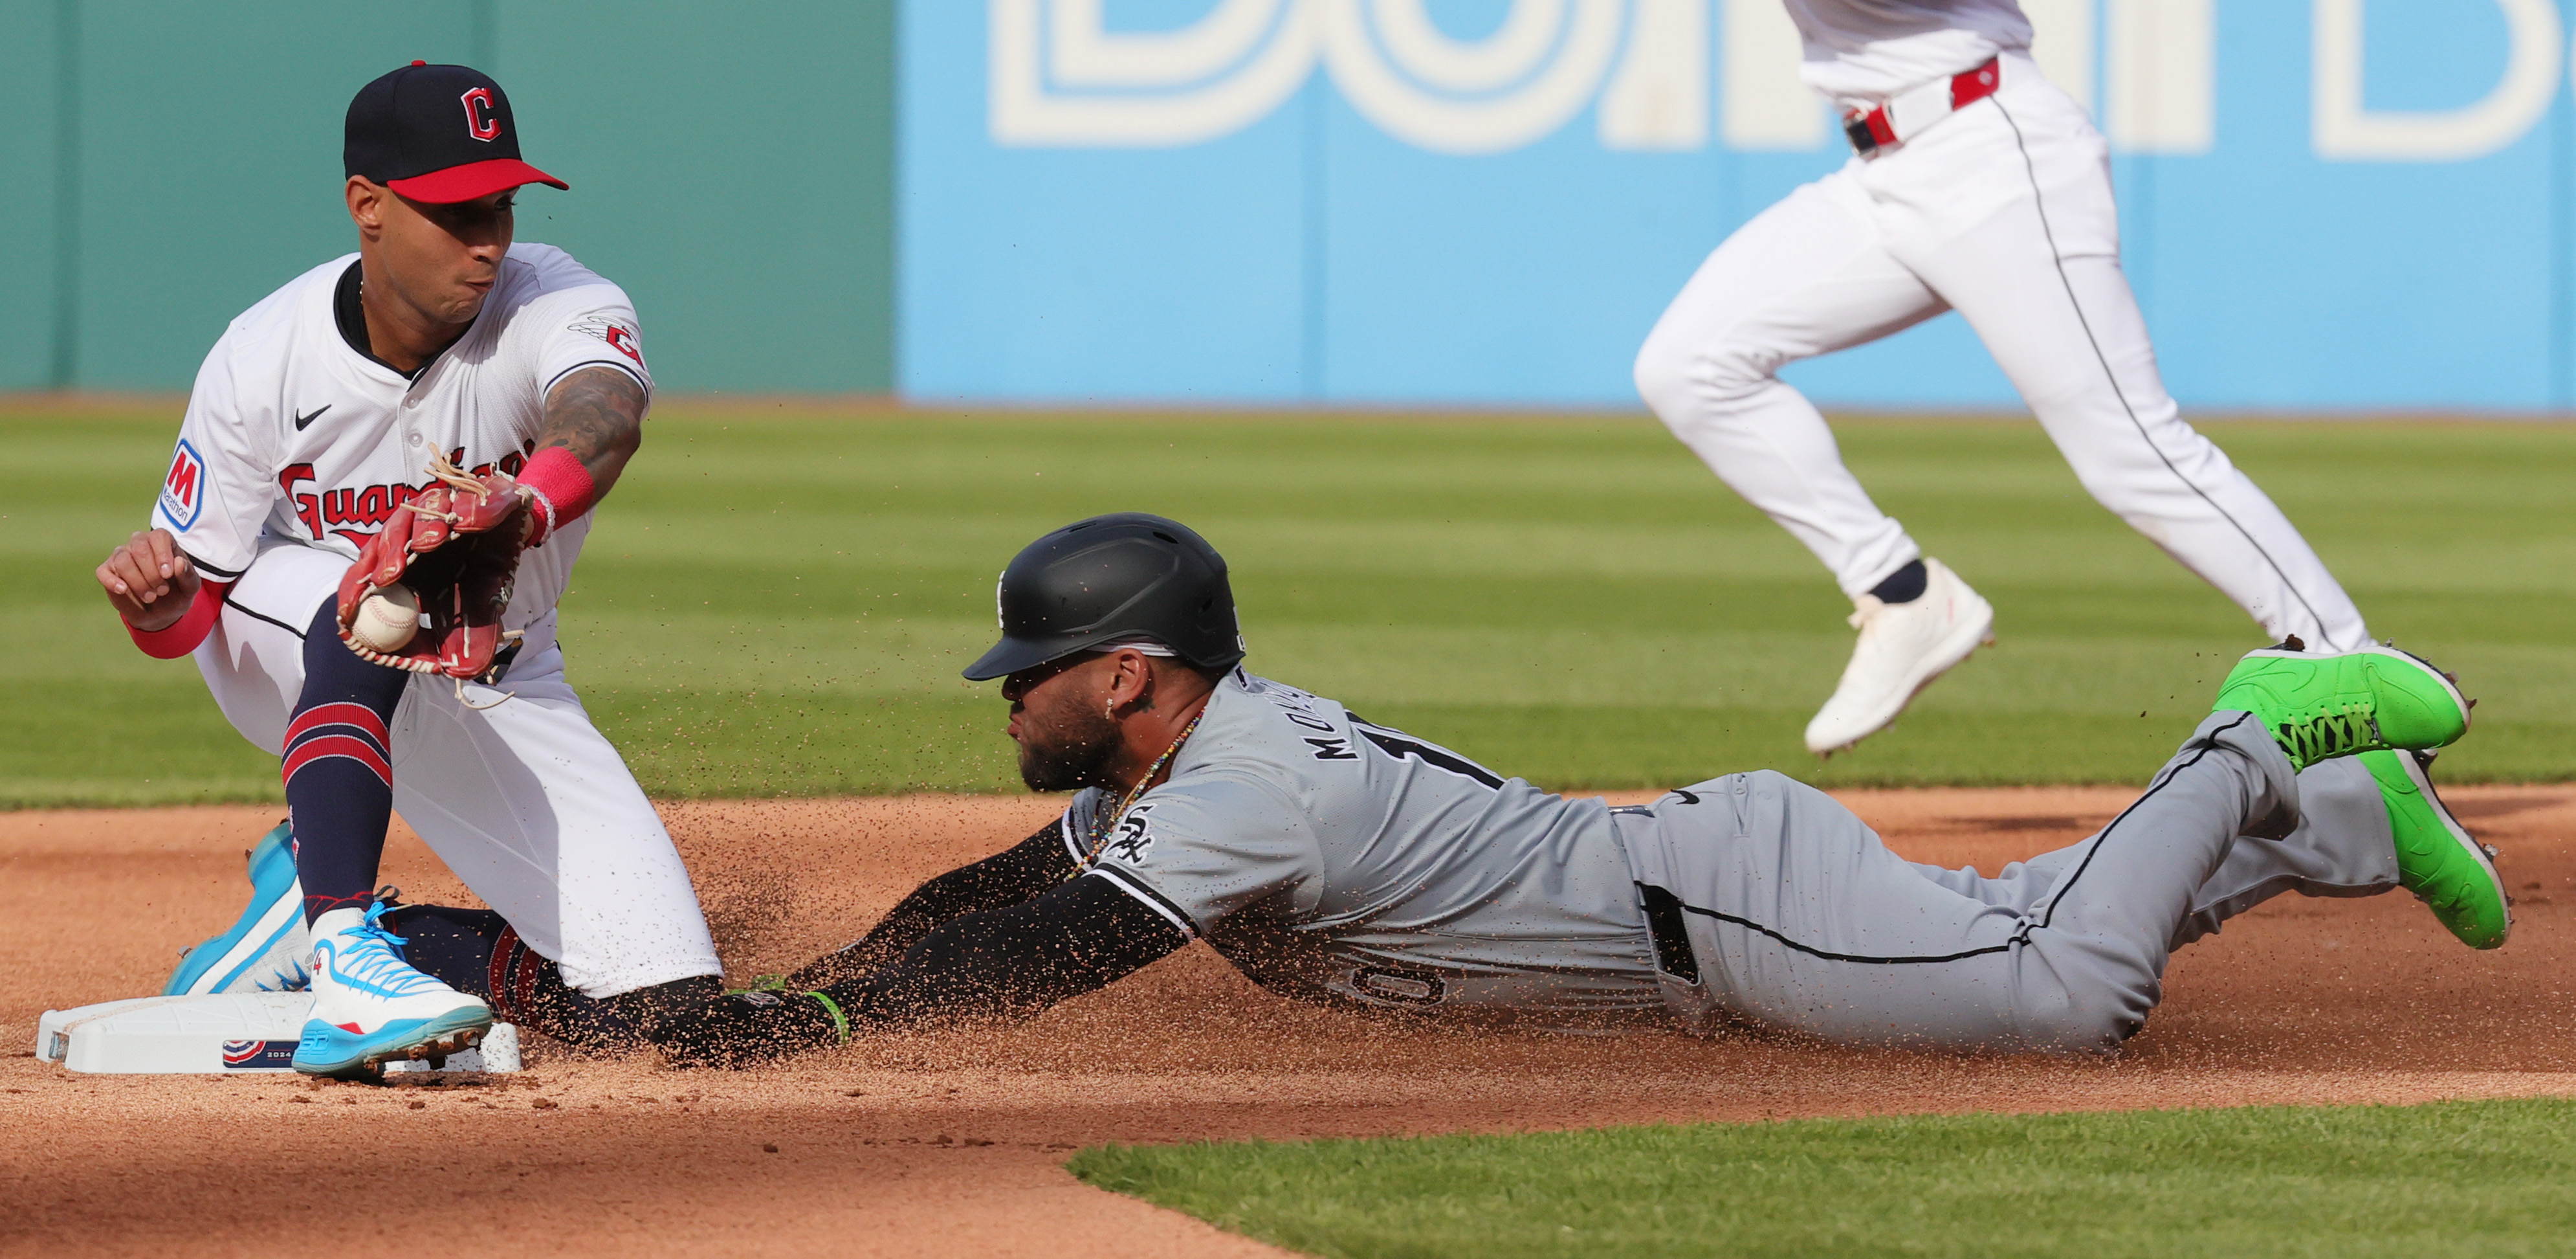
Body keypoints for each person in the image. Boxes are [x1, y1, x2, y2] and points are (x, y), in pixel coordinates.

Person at [236, 514, 2495, 1064]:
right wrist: (818, 991)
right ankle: (2317, 829)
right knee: (2013, 926)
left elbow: (1042, 956)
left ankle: (2258, 723)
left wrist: (828, 1029)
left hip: (1707, 912)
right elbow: (993, 883)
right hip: (1702, 892)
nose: (1009, 700)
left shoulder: (1243, 803)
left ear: (1129, 674)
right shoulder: (1185, 754)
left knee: (2057, 1004)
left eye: (1036, 677)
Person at [97, 62, 720, 1078]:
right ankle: (346, 952)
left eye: (501, 205)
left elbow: (606, 411)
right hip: (291, 640)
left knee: (666, 1013)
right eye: (454, 210)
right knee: (382, 597)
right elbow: (184, 624)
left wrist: (526, 501)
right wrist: (157, 608)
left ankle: (321, 935)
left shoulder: (558, 298)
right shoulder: (261, 356)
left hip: (499, 669)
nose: (488, 239)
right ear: (368, 207)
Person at [1631, 0, 2369, 755]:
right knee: (1690, 364)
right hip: (1884, 169)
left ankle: (2355, 674)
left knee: (2134, 456)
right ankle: (1903, 593)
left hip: (1995, 154)